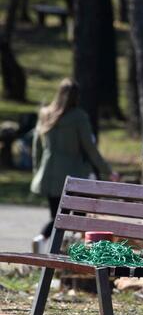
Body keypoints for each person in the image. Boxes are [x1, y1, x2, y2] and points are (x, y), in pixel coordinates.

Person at [31, 79, 119, 243]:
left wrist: (37, 171)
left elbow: (37, 146)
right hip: (73, 175)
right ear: (77, 97)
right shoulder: (79, 117)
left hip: (48, 174)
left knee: (56, 215)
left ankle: (44, 241)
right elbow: (89, 148)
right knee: (78, 217)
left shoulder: (45, 114)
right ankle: (63, 245)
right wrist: (108, 170)